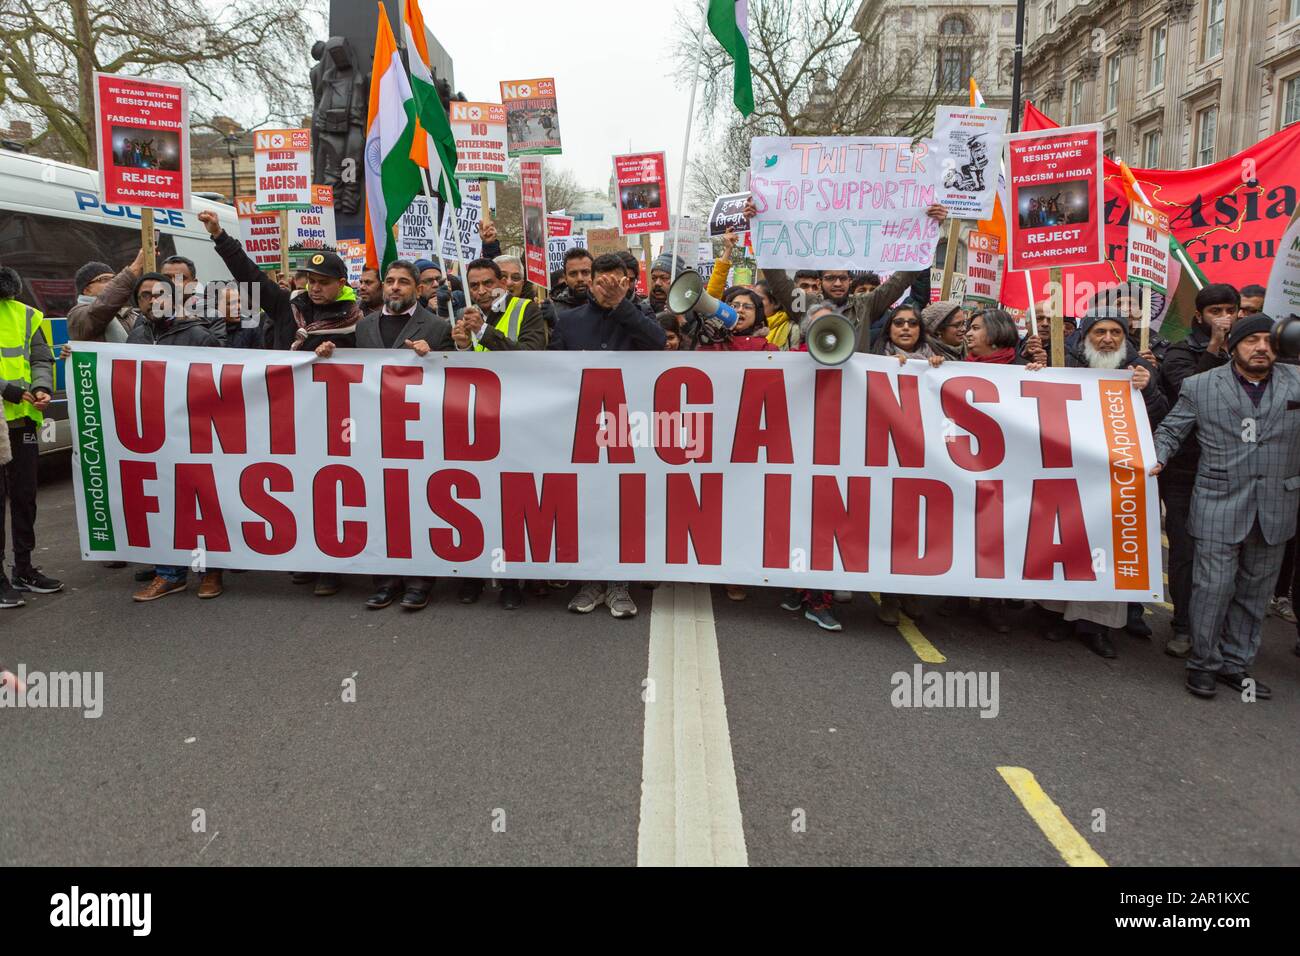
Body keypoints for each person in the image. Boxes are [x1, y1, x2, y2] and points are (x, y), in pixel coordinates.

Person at [1151, 315, 1300, 700]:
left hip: (1275, 508)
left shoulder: (1296, 382)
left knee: (1254, 594)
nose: (1261, 348)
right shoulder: (1201, 387)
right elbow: (1171, 429)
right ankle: (1203, 664)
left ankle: (1236, 664)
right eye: (1251, 340)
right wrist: (1158, 457)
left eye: (1269, 340)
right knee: (1212, 589)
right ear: (1233, 346)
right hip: (1218, 503)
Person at [1034, 309, 1168, 658]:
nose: (1108, 339)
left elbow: (1161, 413)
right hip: (1069, 472)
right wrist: (1035, 365)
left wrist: (1148, 388)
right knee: (1066, 543)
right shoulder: (1064, 360)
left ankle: (1095, 626)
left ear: (1125, 338)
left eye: (1115, 333)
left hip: (1116, 478)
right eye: (1099, 332)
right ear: (1086, 336)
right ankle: (1055, 616)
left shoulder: (1140, 369)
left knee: (1106, 549)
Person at [551, 253, 666, 619]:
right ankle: (590, 581)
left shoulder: (642, 317)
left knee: (625, 507)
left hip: (629, 429)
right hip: (583, 429)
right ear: (590, 283)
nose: (608, 288)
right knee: (588, 507)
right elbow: (551, 371)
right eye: (602, 282)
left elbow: (657, 343)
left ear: (628, 283)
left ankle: (620, 583)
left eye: (617, 282)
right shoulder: (567, 321)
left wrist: (621, 307)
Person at [355, 260, 453, 612]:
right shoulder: (364, 326)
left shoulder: (438, 326)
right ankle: (384, 580)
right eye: (390, 281)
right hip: (375, 430)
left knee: (417, 504)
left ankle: (419, 580)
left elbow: (457, 373)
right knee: (380, 505)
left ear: (417, 288)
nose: (395, 287)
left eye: (403, 282)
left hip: (418, 430)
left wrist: (436, 357)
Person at [451, 257, 547, 609]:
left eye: (487, 283)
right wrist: (460, 345)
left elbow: (529, 357)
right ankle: (474, 576)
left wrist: (483, 333)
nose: (480, 292)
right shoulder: (463, 314)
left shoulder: (527, 310)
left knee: (511, 502)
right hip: (476, 420)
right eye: (473, 285)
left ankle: (511, 581)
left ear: (502, 283)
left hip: (517, 419)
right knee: (476, 501)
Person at [120, 272, 222, 600]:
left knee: (200, 505)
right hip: (152, 435)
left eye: (159, 294)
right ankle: (169, 574)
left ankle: (209, 571)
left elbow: (219, 385)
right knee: (163, 505)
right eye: (145, 295)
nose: (152, 300)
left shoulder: (197, 335)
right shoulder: (136, 336)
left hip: (193, 433)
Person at [1156, 283, 1242, 656]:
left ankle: (1220, 629)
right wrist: (1213, 349)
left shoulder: (1252, 351)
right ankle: (1184, 626)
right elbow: (1192, 393)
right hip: (1186, 470)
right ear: (1199, 317)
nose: (1223, 318)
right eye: (1215, 312)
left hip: (1233, 469)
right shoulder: (1180, 353)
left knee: (1227, 555)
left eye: (1230, 311)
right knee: (1186, 551)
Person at [742, 199, 949, 340]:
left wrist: (930, 230)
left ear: (851, 281)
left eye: (843, 278)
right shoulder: (804, 304)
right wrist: (758, 224)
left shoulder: (867, 304)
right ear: (821, 282)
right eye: (831, 278)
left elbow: (903, 278)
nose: (838, 283)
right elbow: (776, 277)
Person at [199, 210, 362, 355]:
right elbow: (249, 275)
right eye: (311, 281)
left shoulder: (356, 322)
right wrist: (219, 236)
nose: (315, 288)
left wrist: (337, 354)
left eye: (323, 283)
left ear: (341, 283)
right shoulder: (287, 304)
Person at [0, 265, 61, 606]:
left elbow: (41, 358)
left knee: (25, 497)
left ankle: (23, 569)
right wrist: (6, 390)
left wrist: (41, 387)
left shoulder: (26, 314)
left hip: (23, 421)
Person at [68, 250, 145, 343]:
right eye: (104, 279)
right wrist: (135, 268)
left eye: (114, 279)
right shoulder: (78, 315)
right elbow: (102, 307)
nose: (112, 283)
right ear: (87, 290)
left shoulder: (130, 314)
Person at [161, 253, 226, 343]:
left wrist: (188, 324)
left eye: (180, 278)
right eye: (166, 278)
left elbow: (218, 353)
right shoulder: (147, 317)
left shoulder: (211, 317)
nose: (173, 283)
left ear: (194, 284)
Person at [551, 247, 593, 312]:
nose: (580, 278)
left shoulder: (607, 304)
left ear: (594, 274)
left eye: (585, 272)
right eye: (573, 274)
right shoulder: (553, 309)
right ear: (565, 278)